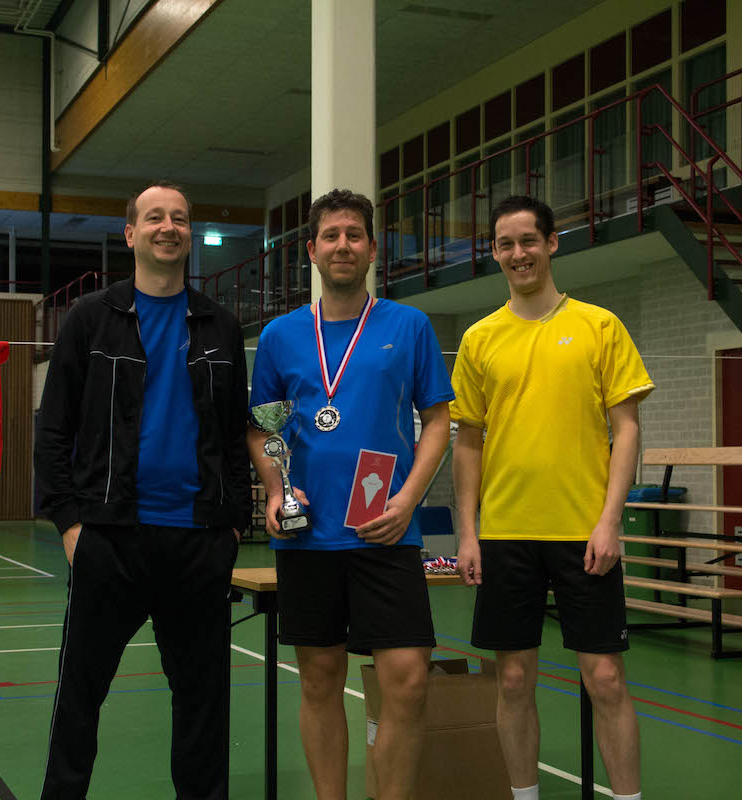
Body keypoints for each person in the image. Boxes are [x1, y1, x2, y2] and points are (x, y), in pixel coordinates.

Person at [35, 180, 251, 800]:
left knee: (203, 704)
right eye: (154, 217)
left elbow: (234, 434)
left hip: (198, 544)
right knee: (79, 699)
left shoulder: (220, 326)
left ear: (189, 234)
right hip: (109, 542)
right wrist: (71, 525)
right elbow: (53, 430)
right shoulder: (89, 319)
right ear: (131, 233)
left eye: (179, 218)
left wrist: (233, 525)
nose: (168, 227)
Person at [247, 188, 454, 800]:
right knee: (319, 679)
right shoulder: (281, 335)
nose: (343, 245)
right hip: (309, 535)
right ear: (312, 250)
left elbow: (437, 421)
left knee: (408, 680)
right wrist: (276, 493)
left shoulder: (409, 326)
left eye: (354, 235)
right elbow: (262, 428)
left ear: (372, 250)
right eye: (331, 235)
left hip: (386, 530)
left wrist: (408, 501)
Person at [451, 195, 654, 800]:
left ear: (551, 243)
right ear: (494, 253)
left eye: (528, 241)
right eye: (505, 244)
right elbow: (467, 442)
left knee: (607, 678)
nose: (518, 254)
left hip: (584, 533)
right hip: (505, 534)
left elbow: (627, 430)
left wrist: (610, 521)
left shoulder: (599, 326)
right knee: (513, 679)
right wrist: (468, 533)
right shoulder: (480, 338)